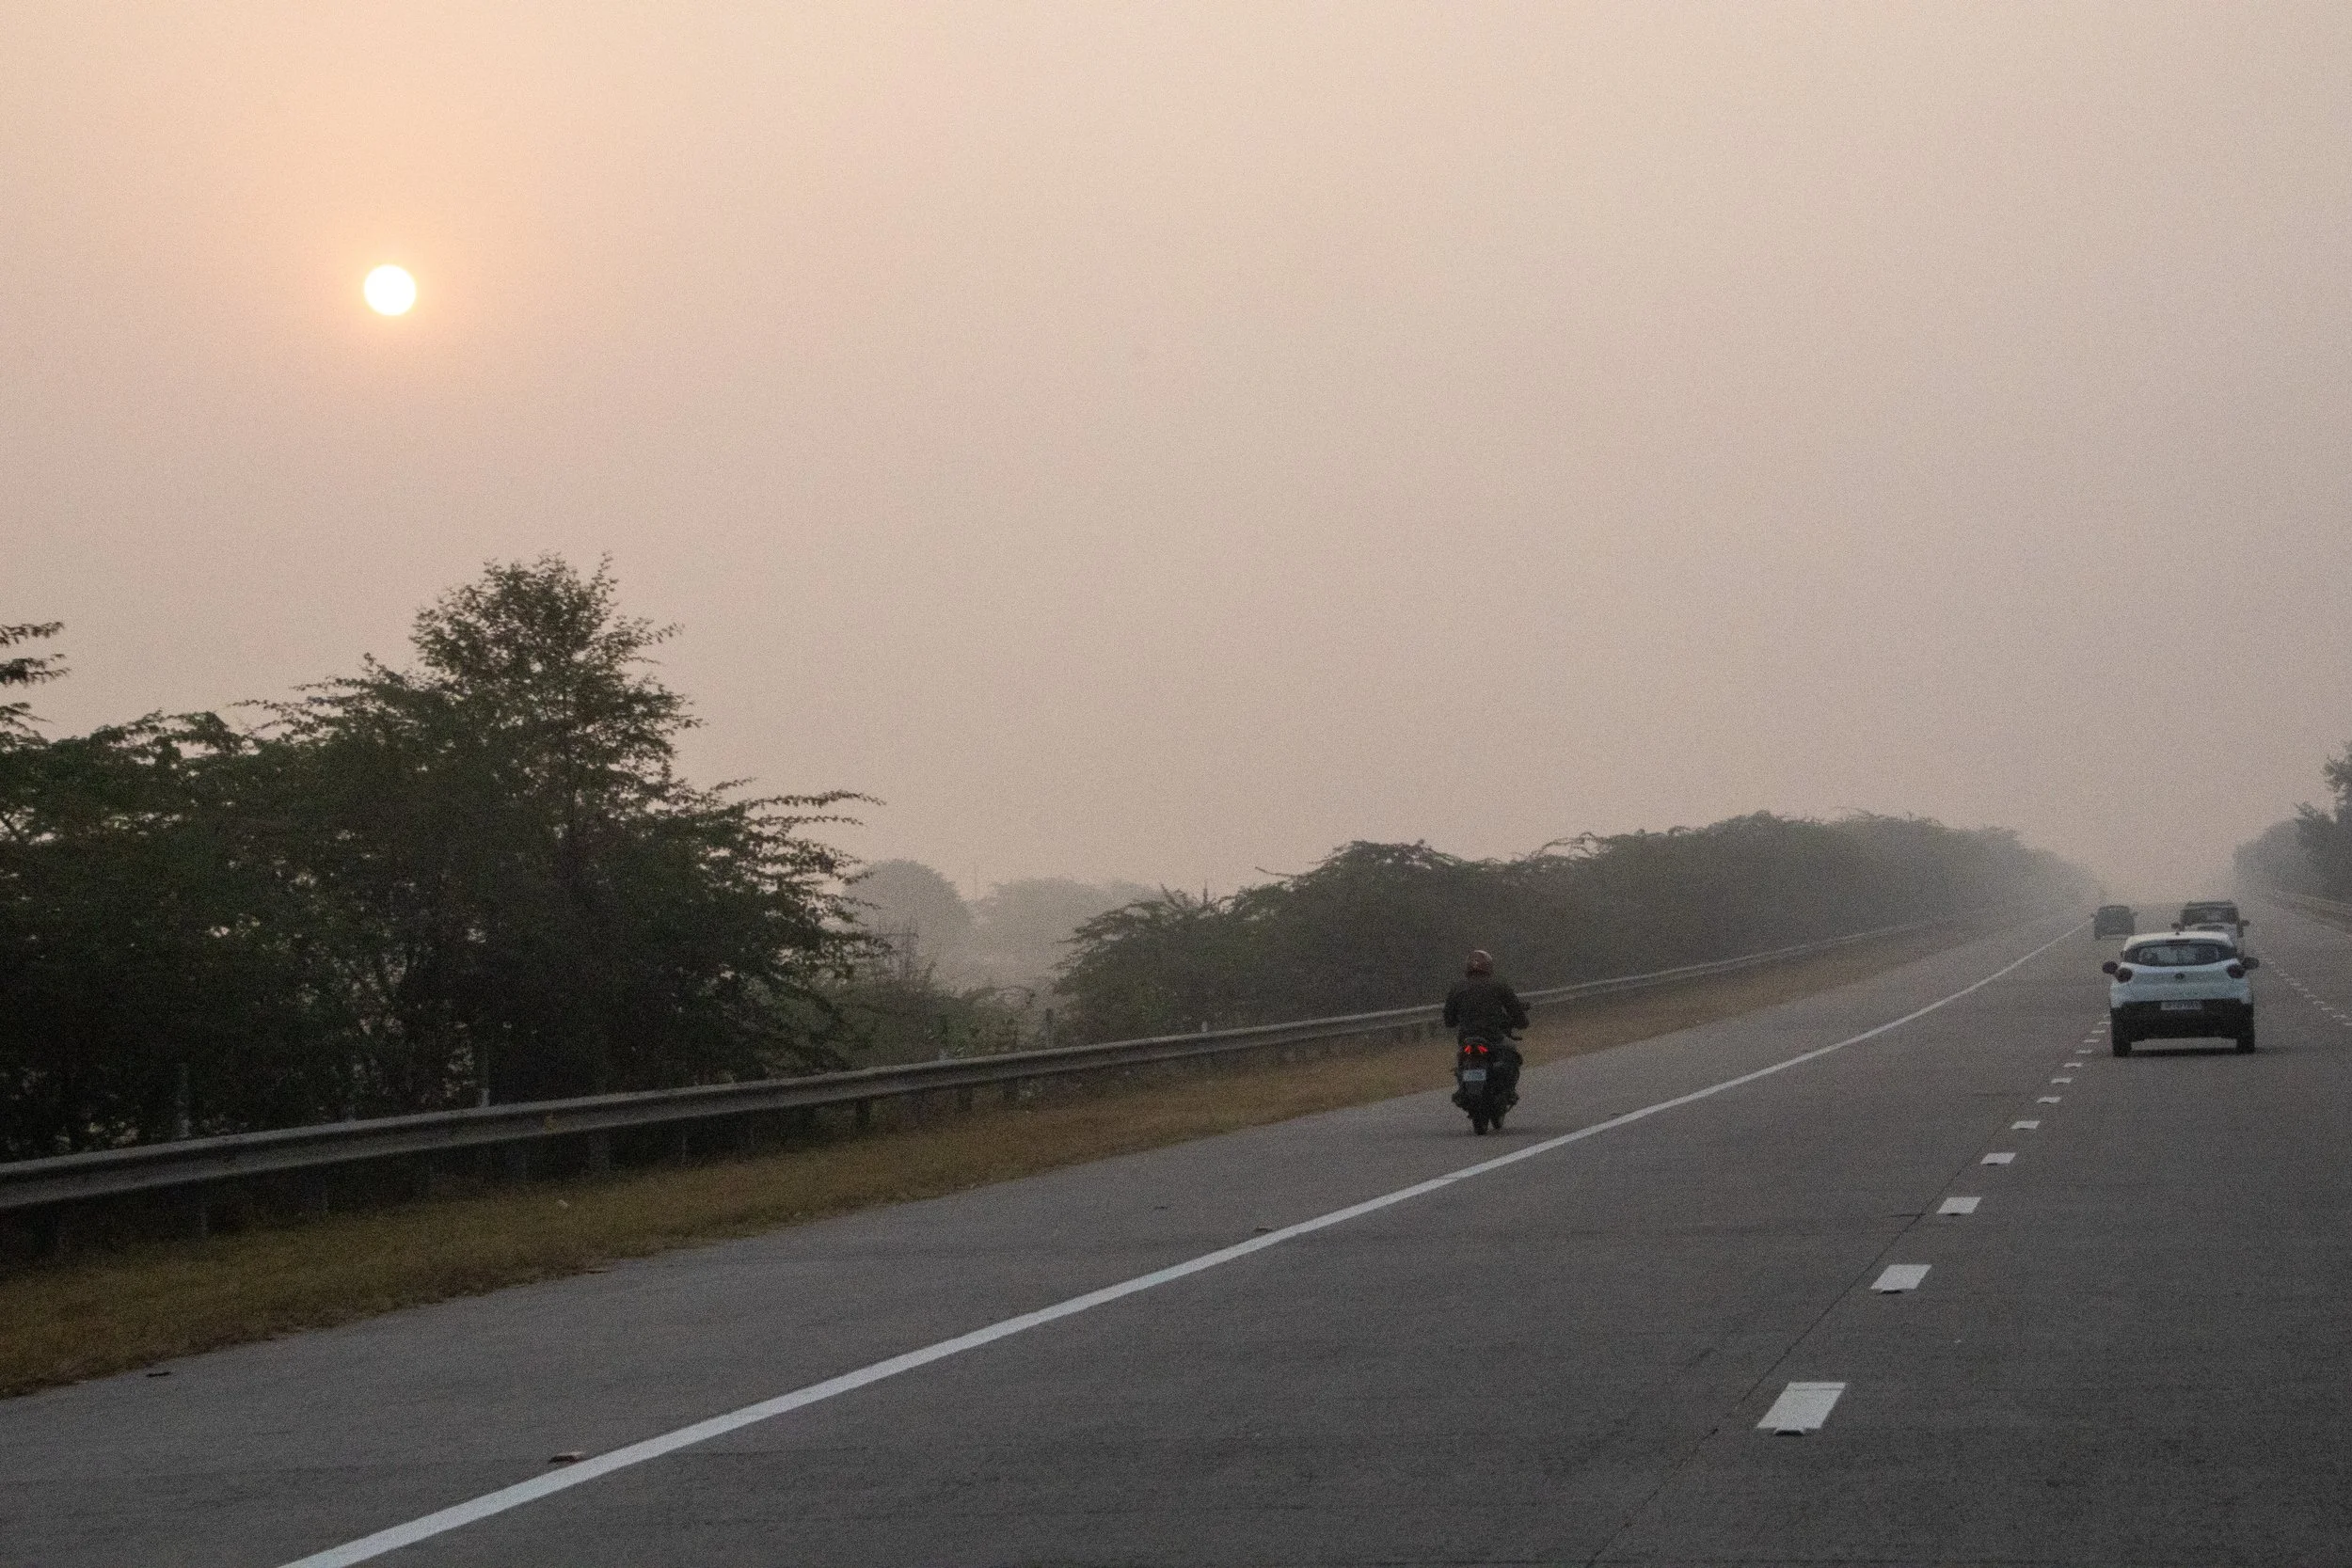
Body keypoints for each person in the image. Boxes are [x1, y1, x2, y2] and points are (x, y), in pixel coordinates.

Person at [1444, 949, 1529, 1098]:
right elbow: (1518, 1015)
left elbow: (1449, 1021)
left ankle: (1463, 1087)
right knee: (1511, 1050)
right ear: (1489, 967)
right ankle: (1508, 1091)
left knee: (1460, 1056)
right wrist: (1520, 1022)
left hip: (1466, 1039)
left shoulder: (1457, 988)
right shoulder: (1499, 985)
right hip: (1493, 1037)